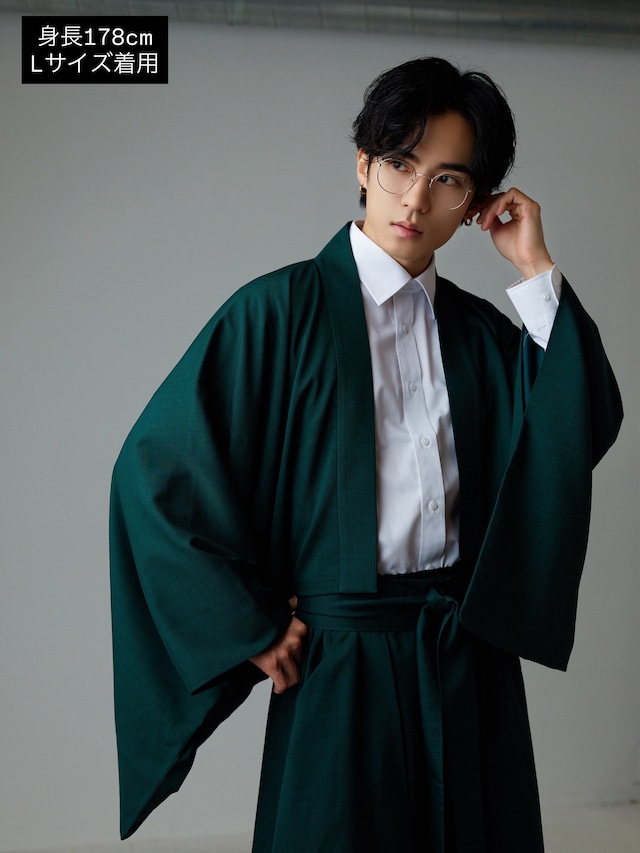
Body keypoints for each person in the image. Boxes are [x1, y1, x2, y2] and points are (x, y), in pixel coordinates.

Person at [110, 57, 623, 853]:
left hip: (462, 654)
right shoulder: (277, 314)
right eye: (399, 164)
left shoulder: (483, 336)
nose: (415, 200)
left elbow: (574, 426)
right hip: (340, 662)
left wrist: (534, 268)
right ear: (363, 163)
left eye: (448, 179)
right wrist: (243, 623)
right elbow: (154, 473)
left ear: (477, 201)